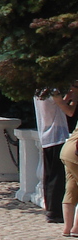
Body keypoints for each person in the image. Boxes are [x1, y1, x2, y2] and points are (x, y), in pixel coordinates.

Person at [37, 84, 77, 227]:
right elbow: (70, 112)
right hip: (57, 136)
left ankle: (51, 209)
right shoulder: (53, 91)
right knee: (57, 177)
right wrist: (75, 99)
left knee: (49, 175)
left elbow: (58, 103)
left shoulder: (40, 92)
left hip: (46, 136)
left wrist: (69, 97)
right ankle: (55, 212)